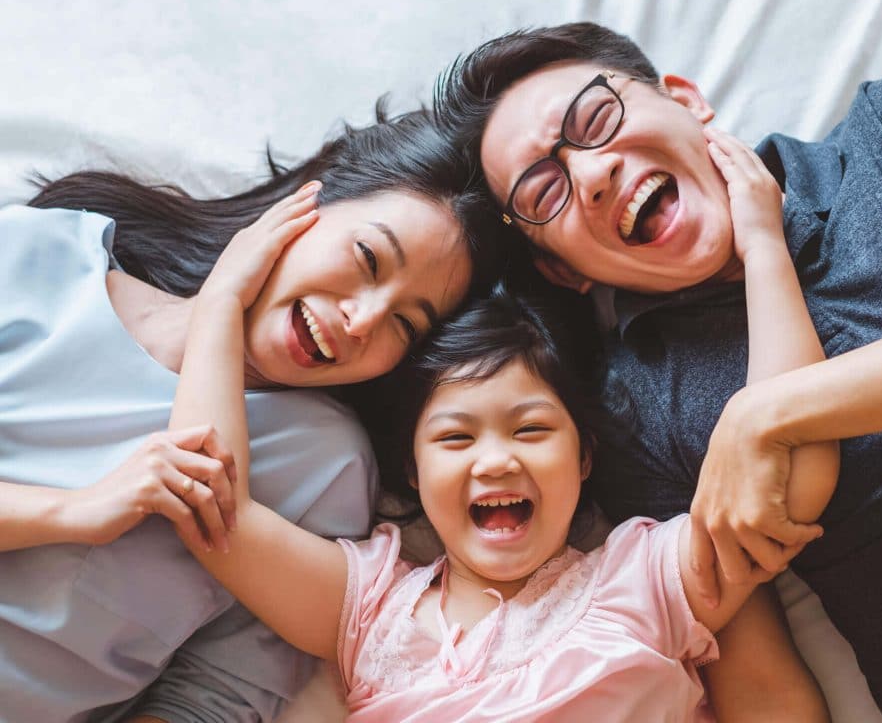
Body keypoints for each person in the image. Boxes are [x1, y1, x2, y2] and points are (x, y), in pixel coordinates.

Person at [433, 21, 882, 722]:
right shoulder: (635, 413)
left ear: (686, 99)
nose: (592, 176)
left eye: (595, 119)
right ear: (562, 270)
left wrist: (764, 416)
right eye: (543, 192)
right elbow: (764, 684)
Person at [161, 134, 834, 722]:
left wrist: (764, 249)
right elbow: (213, 507)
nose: (495, 462)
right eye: (456, 439)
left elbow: (789, 467)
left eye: (531, 431)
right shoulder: (370, 610)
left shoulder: (646, 579)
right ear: (412, 474)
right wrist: (221, 303)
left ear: (584, 458)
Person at [0, 109, 500, 722]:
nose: (363, 320)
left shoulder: (324, 464)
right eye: (369, 258)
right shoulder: (38, 254)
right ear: (302, 206)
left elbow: (216, 700)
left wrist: (222, 309)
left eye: (405, 323)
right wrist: (71, 512)